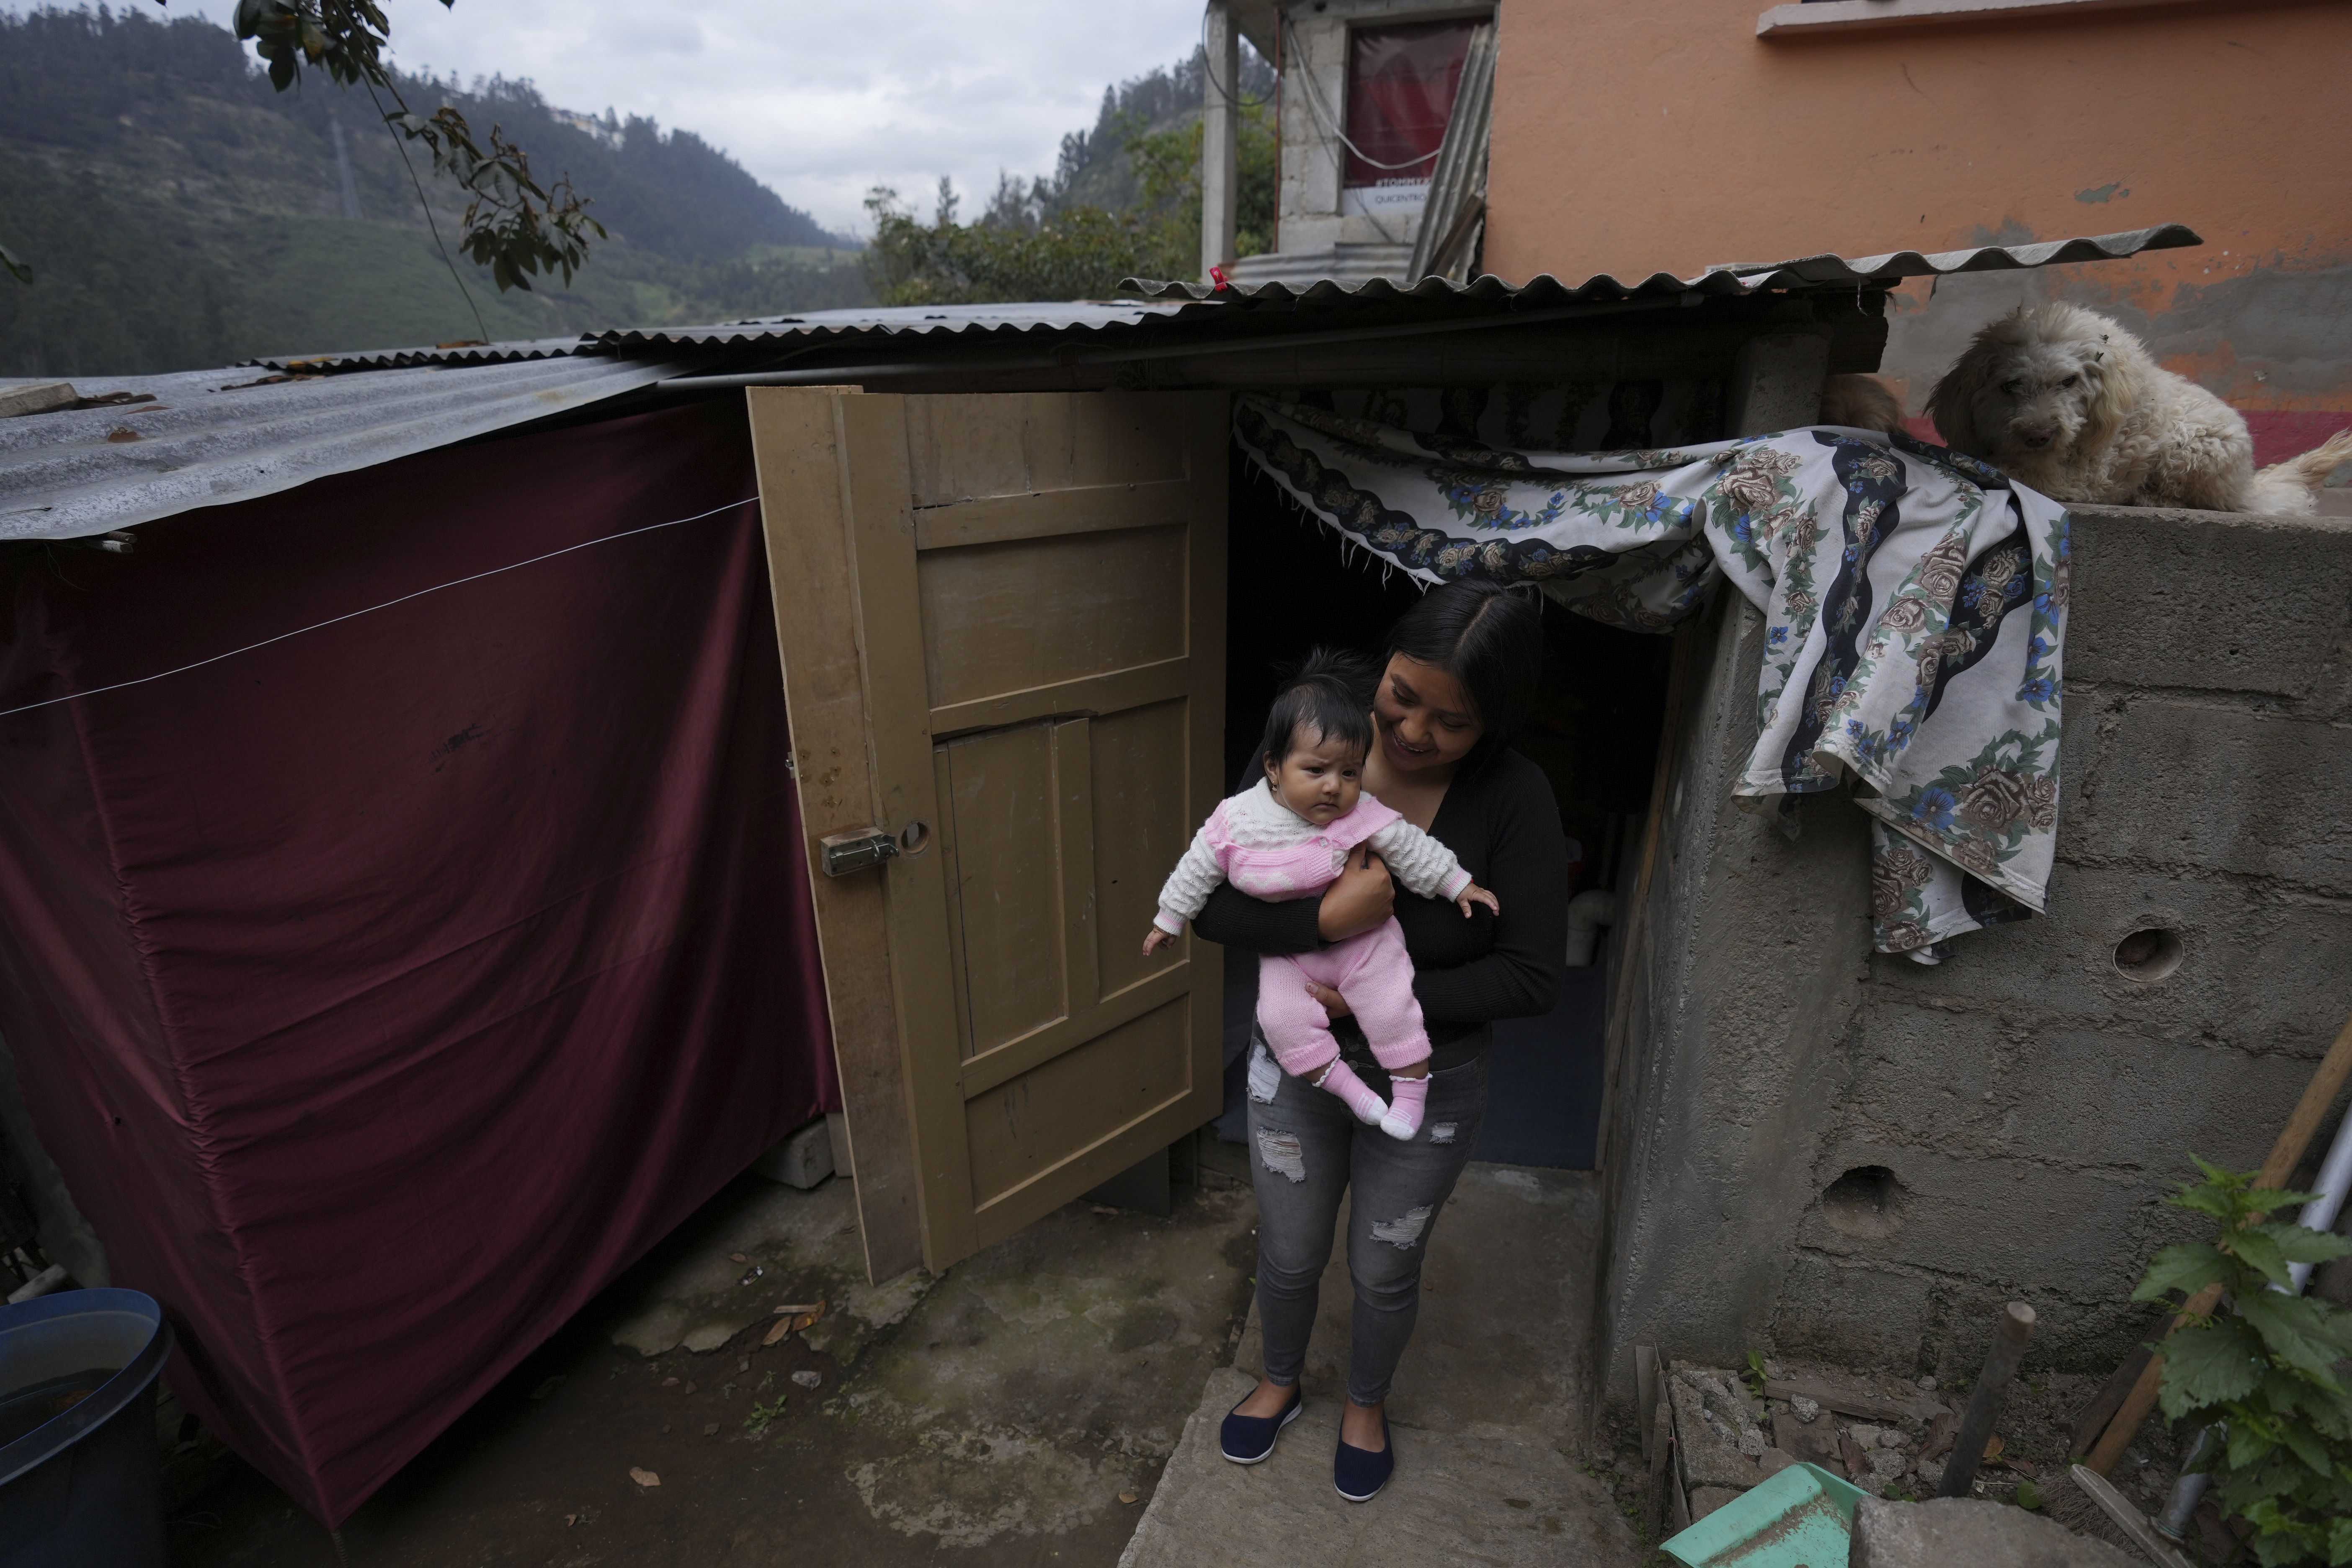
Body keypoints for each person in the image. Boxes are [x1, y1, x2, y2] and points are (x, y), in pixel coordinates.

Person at [1195, 579, 1568, 1504]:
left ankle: (1365, 1402)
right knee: (1286, 1252)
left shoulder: (1515, 797)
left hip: (1428, 1077)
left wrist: (1371, 1005)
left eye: (1452, 721)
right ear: (1385, 667)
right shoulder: (1313, 743)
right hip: (1295, 1068)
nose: (1409, 734)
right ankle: (1281, 1380)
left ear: (1495, 724)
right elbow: (1216, 902)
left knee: (1384, 1263)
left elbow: (1530, 974)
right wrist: (1328, 920)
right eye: (1402, 696)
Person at [1143, 649, 1500, 1140]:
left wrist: (1460, 884)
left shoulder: (1360, 814)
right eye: (1316, 771)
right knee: (1280, 1020)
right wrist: (1169, 919)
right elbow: (1197, 869)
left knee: (1392, 1003)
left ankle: (1411, 1092)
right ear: (1274, 766)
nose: (1335, 788)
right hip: (1289, 955)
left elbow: (1412, 849)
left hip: (1365, 945)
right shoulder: (1237, 819)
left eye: (1350, 773)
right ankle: (1355, 1093)